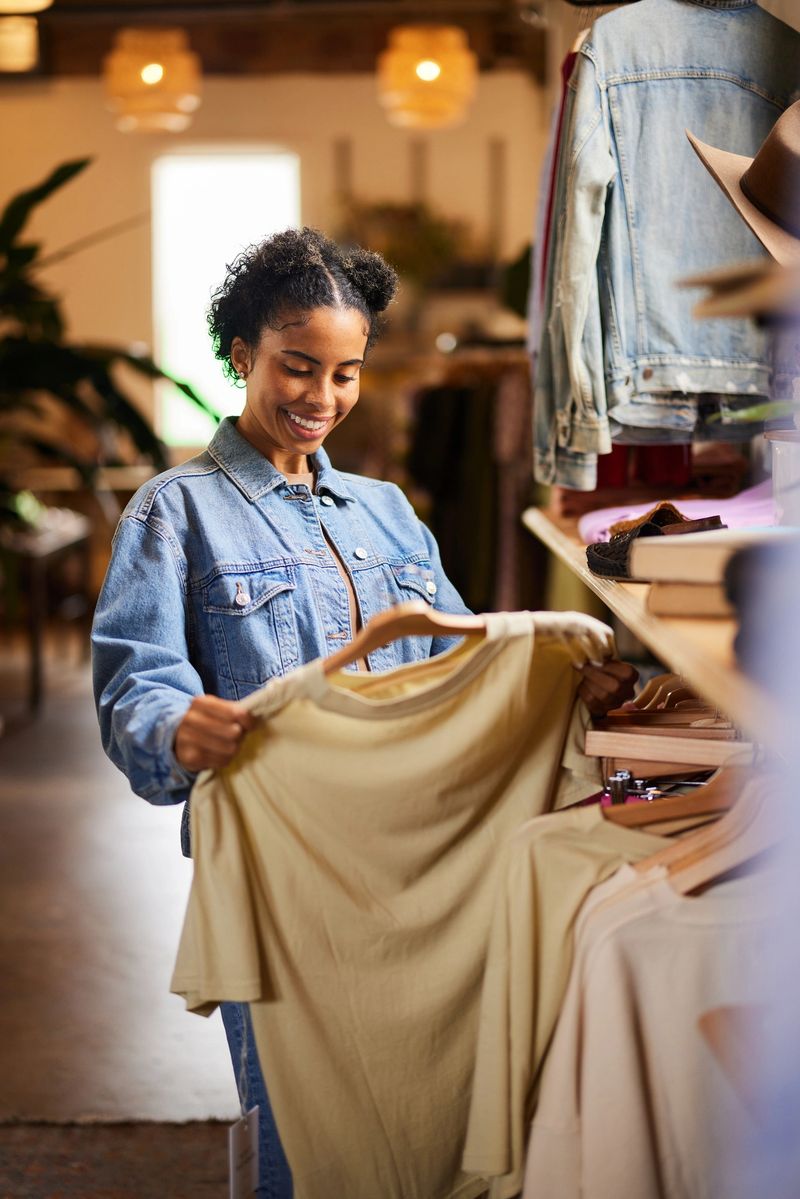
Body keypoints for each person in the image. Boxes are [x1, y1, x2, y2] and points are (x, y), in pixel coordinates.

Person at [91, 226, 636, 1198]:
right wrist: (178, 726)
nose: (321, 398)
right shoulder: (172, 511)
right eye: (298, 368)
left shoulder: (390, 513)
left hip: (414, 858)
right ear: (241, 354)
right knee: (300, 1118)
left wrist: (556, 676)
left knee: (428, 1088)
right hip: (281, 868)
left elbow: (468, 651)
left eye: (345, 374)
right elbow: (135, 677)